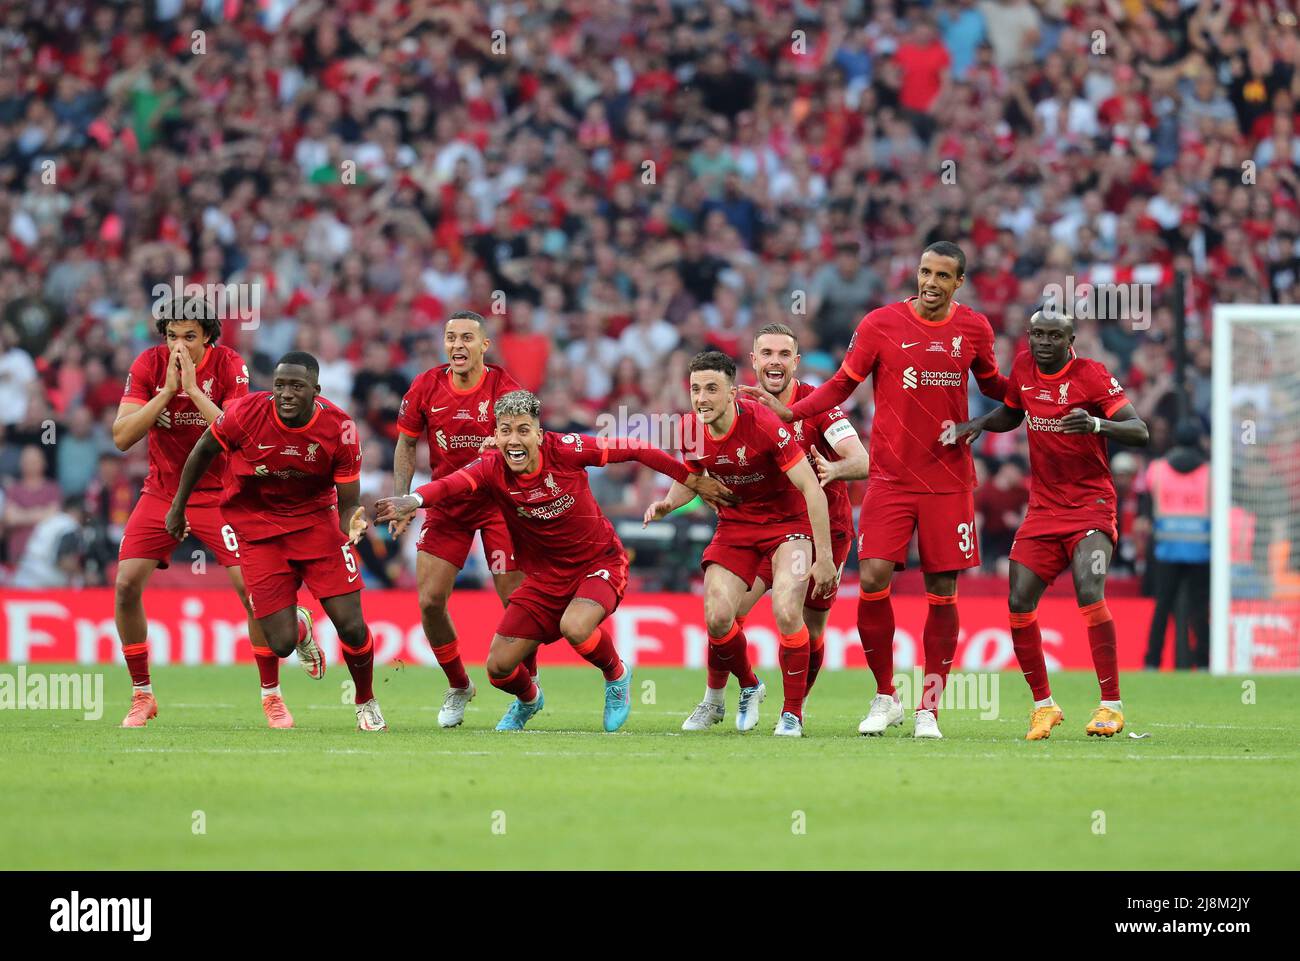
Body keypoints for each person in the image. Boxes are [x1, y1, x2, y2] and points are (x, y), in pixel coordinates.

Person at [742, 242, 1008, 739]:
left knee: (942, 591)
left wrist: (1007, 410)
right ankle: (886, 695)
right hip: (890, 477)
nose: (930, 282)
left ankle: (929, 707)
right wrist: (791, 412)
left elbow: (996, 387)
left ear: (959, 283)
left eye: (942, 276)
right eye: (924, 272)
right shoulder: (880, 324)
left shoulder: (974, 328)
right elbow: (842, 384)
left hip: (950, 481)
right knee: (872, 578)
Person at [376, 389, 736, 732]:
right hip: (545, 578)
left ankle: (616, 675)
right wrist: (414, 500)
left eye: (522, 431)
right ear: (495, 437)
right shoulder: (490, 467)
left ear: (539, 432)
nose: (514, 440)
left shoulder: (567, 448)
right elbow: (450, 484)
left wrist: (691, 480)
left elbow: (638, 449)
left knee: (576, 627)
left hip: (599, 562)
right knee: (498, 669)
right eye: (505, 432)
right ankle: (529, 700)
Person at [112, 307, 318, 730]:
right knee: (126, 584)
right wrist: (167, 392)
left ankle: (272, 697)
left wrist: (192, 389)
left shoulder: (230, 366)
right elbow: (121, 436)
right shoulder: (149, 365)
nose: (178, 345)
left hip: (221, 495)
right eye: (171, 336)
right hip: (162, 491)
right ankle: (142, 694)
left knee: (251, 592)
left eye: (189, 336)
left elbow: (240, 435)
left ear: (207, 337)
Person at [952, 310, 1149, 738]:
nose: (1043, 342)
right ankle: (1044, 705)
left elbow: (1139, 430)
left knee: (1089, 589)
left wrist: (1097, 423)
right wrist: (980, 424)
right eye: (1037, 334)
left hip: (1091, 505)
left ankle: (1110, 705)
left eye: (1053, 336)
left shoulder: (1091, 375)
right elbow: (1012, 413)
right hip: (1043, 509)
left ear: (1070, 339)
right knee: (1019, 600)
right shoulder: (1023, 366)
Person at [165, 351, 386, 732]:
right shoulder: (245, 414)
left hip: (317, 524)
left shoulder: (341, 428)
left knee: (351, 626)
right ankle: (299, 628)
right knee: (281, 644)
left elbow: (348, 501)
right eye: (280, 385)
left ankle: (365, 701)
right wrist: (178, 505)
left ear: (316, 390)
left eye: (296, 386)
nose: (285, 393)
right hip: (258, 529)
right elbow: (203, 450)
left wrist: (354, 524)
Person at [646, 350, 839, 737]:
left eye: (712, 389)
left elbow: (811, 488)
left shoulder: (764, 424)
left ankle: (792, 714)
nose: (702, 398)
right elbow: (692, 478)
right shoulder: (689, 428)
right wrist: (669, 503)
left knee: (787, 611)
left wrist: (825, 558)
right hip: (735, 527)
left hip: (788, 525)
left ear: (732, 393)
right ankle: (749, 686)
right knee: (718, 617)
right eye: (695, 389)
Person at [718, 323, 869, 721]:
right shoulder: (738, 406)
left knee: (810, 625)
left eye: (784, 355)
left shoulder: (818, 404)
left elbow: (862, 460)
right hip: (765, 526)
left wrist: (834, 470)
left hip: (823, 530)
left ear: (796, 363)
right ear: (753, 360)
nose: (774, 361)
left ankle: (793, 710)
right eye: (766, 353)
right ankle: (720, 697)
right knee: (726, 613)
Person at [391, 310, 531, 729]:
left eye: (467, 338)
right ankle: (459, 685)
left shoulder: (505, 388)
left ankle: (528, 691)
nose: (457, 345)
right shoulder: (425, 385)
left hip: (500, 504)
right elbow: (405, 445)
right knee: (430, 601)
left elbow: (530, 441)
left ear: (484, 346)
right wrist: (403, 499)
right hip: (447, 505)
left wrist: (506, 443)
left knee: (517, 603)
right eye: (451, 337)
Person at [1141, 419, 1211, 669]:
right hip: (1200, 550)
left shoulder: (1157, 469)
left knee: (1162, 606)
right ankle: (1203, 662)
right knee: (1199, 608)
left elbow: (1147, 507)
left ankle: (1152, 662)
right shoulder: (1209, 472)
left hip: (1165, 548)